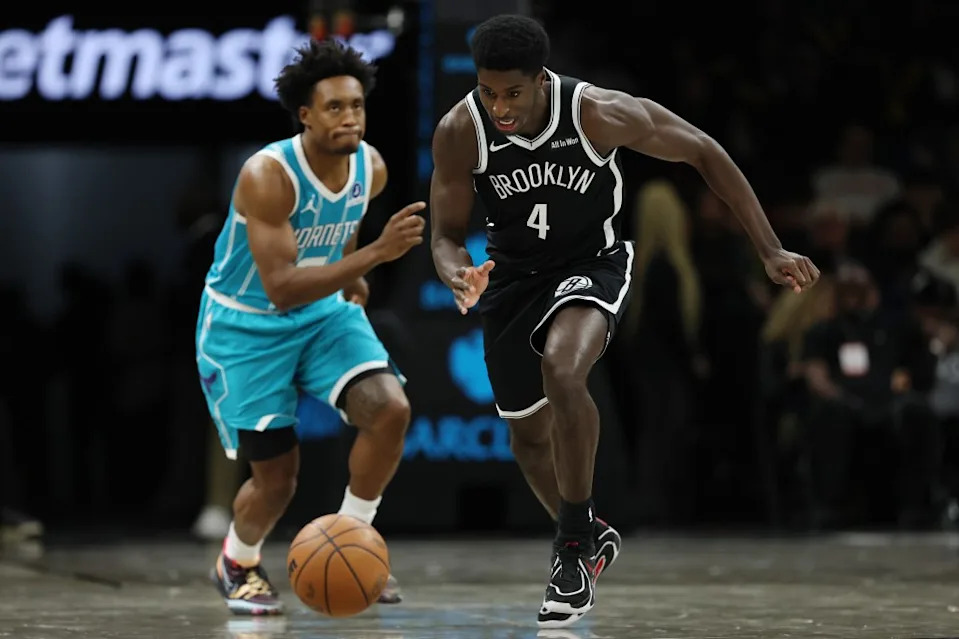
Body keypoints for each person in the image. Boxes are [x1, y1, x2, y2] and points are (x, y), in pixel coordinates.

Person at [429, 14, 820, 629]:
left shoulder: (597, 112)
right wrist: (457, 273)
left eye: (512, 93)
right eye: (488, 92)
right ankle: (589, 531)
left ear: (541, 80)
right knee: (527, 440)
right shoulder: (460, 129)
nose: (499, 107)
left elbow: (704, 150)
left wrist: (769, 248)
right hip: (512, 281)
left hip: (592, 265)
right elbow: (445, 235)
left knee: (564, 370)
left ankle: (571, 550)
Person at [196, 39, 425, 615]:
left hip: (322, 312)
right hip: (247, 326)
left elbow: (340, 231)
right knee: (277, 480)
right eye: (334, 107)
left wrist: (352, 273)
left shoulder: (370, 167)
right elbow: (280, 285)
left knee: (390, 410)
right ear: (305, 115)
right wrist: (374, 256)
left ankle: (353, 537)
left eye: (357, 106)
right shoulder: (267, 175)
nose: (350, 118)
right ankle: (237, 561)